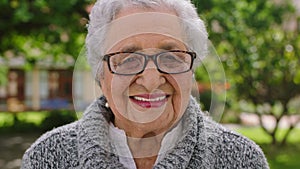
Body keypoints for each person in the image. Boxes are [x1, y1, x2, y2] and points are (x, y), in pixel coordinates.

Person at [21, 0, 269, 168]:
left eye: (172, 56)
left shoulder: (242, 159)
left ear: (192, 70)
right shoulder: (46, 158)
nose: (151, 80)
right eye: (128, 59)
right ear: (101, 74)